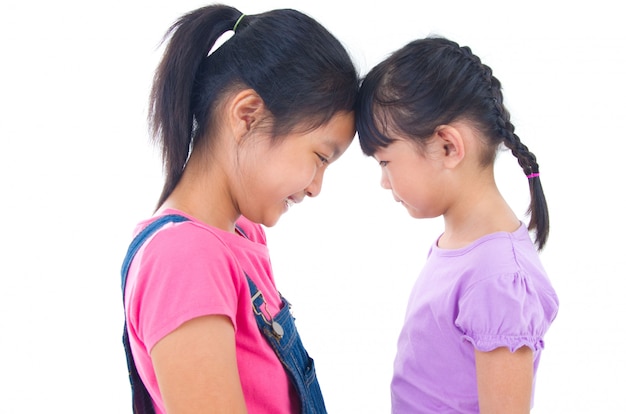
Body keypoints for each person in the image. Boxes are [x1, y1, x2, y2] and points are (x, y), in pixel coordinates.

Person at [120, 4, 358, 413]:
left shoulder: (242, 233)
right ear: (247, 116)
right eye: (320, 156)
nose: (317, 187)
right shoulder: (183, 259)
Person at [355, 36, 559, 413]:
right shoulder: (463, 243)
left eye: (385, 162)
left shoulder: (498, 280)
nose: (384, 182)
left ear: (448, 147)